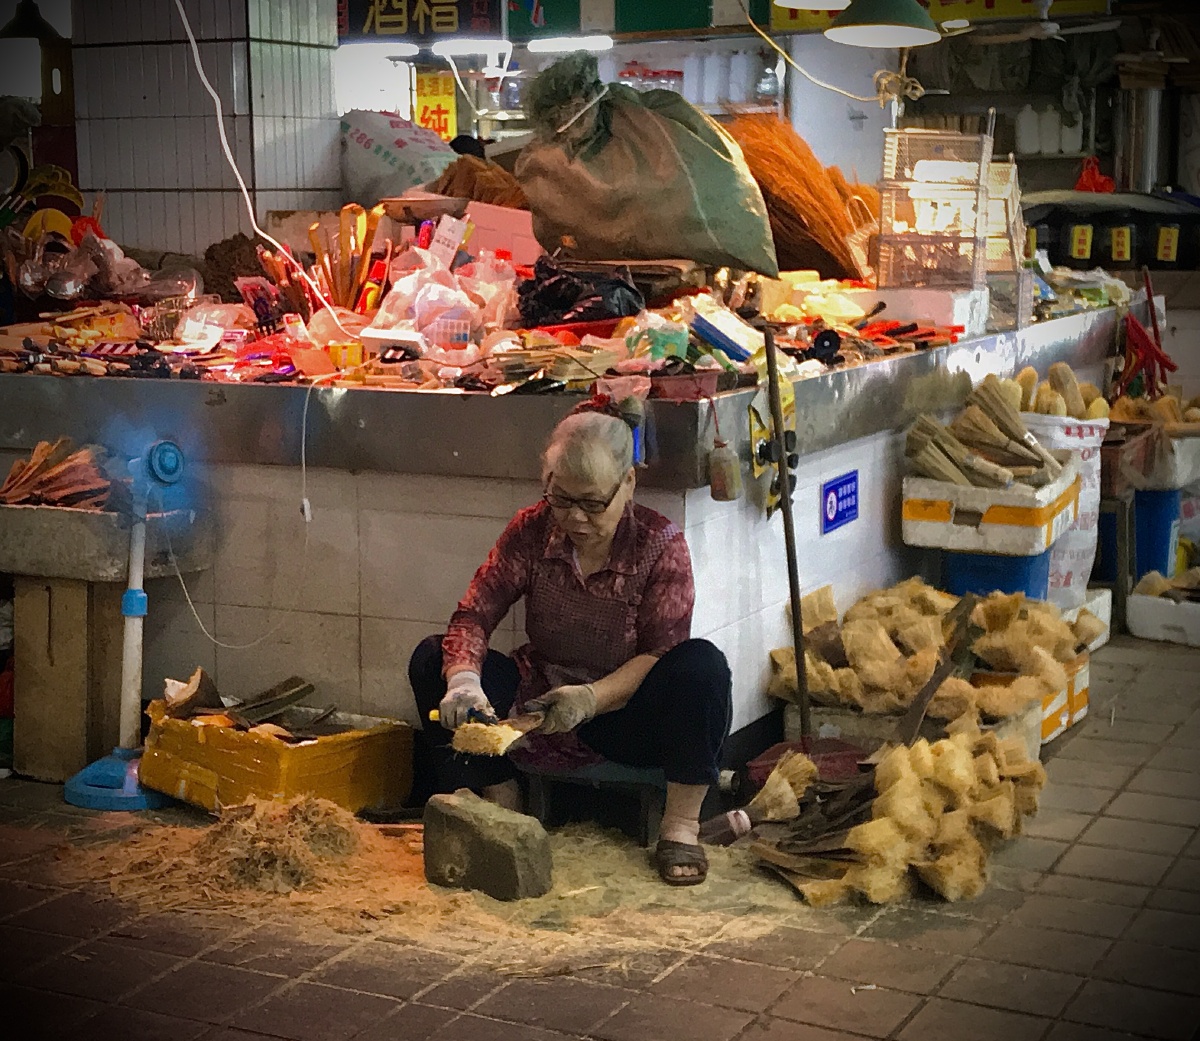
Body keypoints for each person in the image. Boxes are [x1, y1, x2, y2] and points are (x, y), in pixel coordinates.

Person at [409, 395, 732, 885]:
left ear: (628, 484)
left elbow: (659, 651)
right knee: (432, 657)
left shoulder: (659, 544)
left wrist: (589, 698)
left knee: (701, 666)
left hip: (620, 713)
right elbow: (475, 612)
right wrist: (465, 682)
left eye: (592, 503)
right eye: (561, 499)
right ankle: (504, 802)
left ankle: (681, 826)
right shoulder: (532, 530)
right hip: (538, 700)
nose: (575, 519)